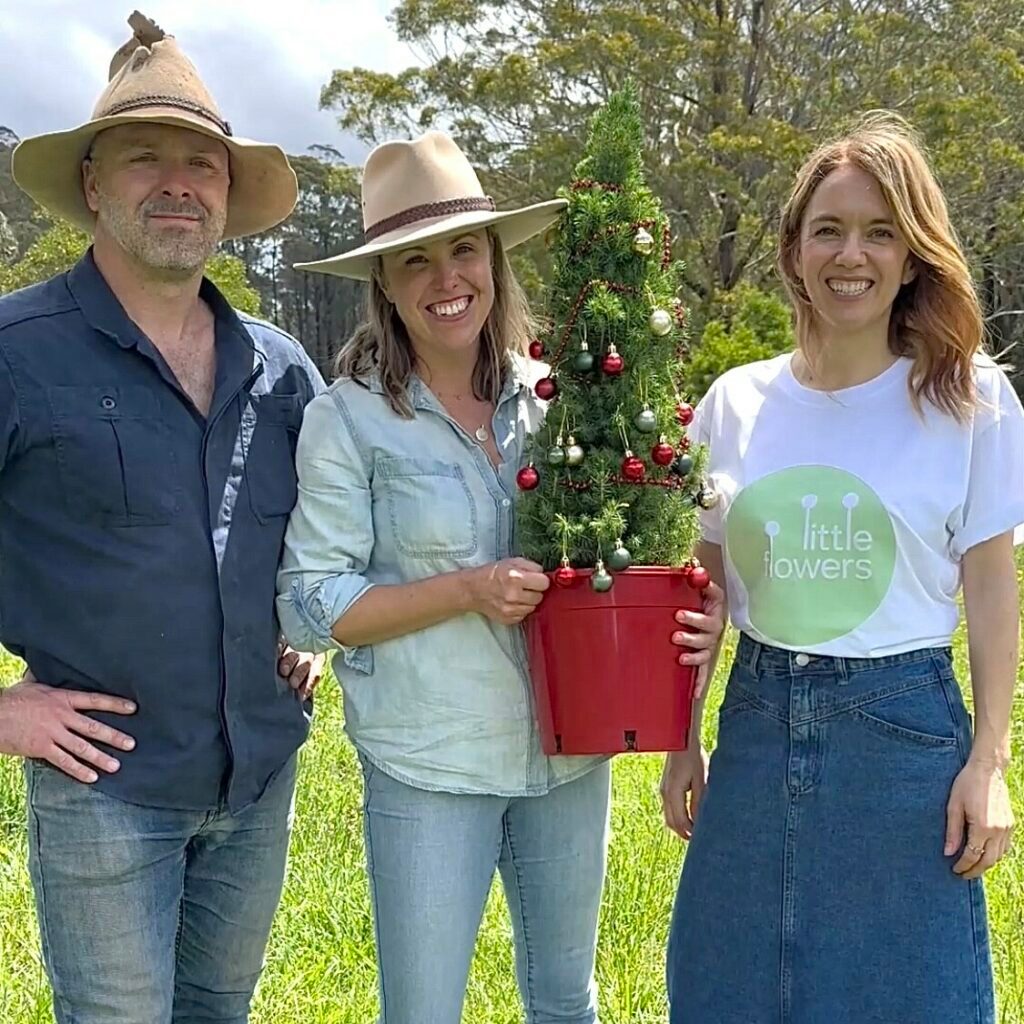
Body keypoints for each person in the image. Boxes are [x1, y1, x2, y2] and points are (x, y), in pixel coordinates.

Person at [276, 129, 726, 1024]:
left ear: (493, 257)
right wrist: (467, 589)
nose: (447, 279)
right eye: (415, 261)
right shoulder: (350, 421)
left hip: (567, 756)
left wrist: (683, 609)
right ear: (385, 283)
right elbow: (309, 604)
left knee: (567, 1001)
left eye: (463, 249)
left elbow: (630, 545)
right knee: (424, 1010)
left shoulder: (564, 398)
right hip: (429, 764)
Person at [663, 112, 1023, 1023]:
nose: (849, 254)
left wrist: (990, 760)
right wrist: (682, 736)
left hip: (903, 740)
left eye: (878, 231)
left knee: (910, 995)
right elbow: (699, 588)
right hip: (755, 723)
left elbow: (990, 587)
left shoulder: (971, 397)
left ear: (912, 255)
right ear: (793, 250)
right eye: (828, 229)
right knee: (728, 989)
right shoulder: (735, 402)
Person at [0, 13, 325, 1023]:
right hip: (106, 791)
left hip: (259, 778)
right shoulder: (18, 353)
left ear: (227, 193)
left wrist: (303, 625)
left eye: (202, 162)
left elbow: (324, 539)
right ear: (94, 183)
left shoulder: (282, 372)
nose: (178, 182)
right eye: (145, 158)